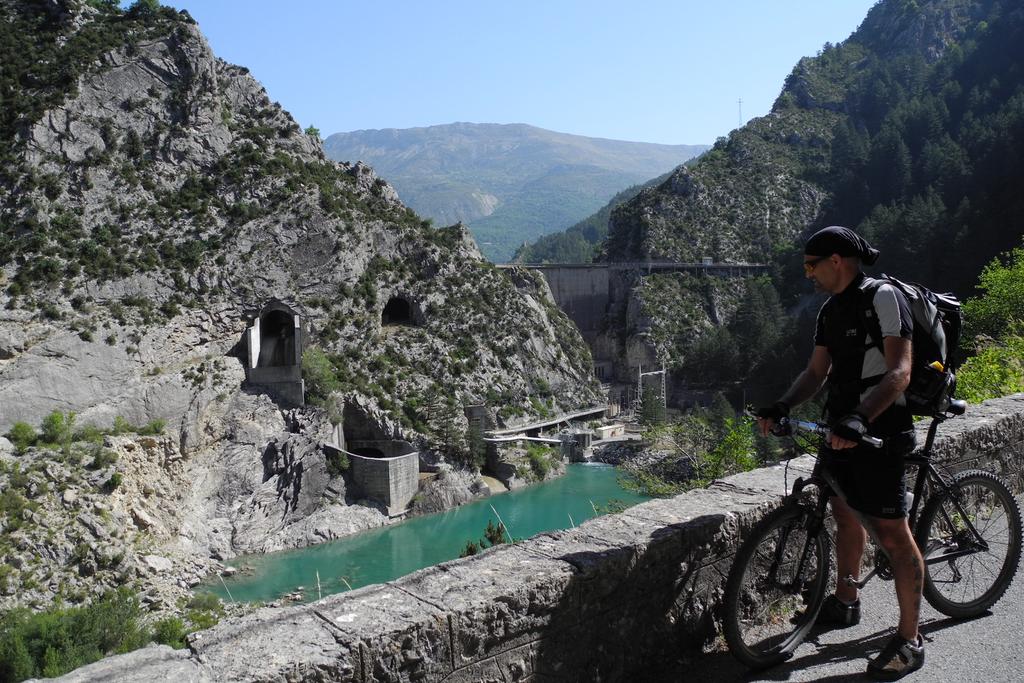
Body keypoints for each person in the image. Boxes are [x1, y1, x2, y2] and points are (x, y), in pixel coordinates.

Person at [756, 226, 924, 681]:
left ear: (836, 260)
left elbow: (900, 371)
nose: (807, 274)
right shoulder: (829, 310)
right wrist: (784, 404)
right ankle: (846, 602)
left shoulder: (884, 297)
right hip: (840, 429)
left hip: (879, 431)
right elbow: (816, 372)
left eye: (811, 265)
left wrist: (861, 419)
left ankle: (910, 641)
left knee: (893, 536)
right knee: (844, 515)